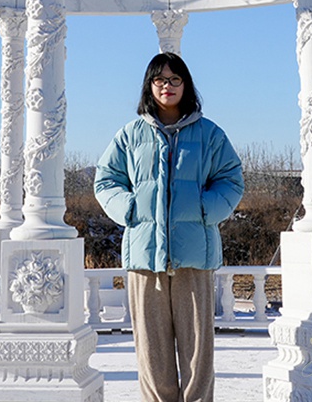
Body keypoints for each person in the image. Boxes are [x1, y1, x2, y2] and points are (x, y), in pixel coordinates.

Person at [94, 52, 244, 402]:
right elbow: (106, 181)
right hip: (146, 259)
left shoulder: (209, 134)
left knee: (197, 355)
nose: (167, 86)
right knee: (152, 353)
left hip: (195, 256)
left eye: (175, 79)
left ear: (186, 84)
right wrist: (129, 209)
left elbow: (231, 180)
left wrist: (207, 210)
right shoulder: (130, 135)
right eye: (160, 79)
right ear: (149, 86)